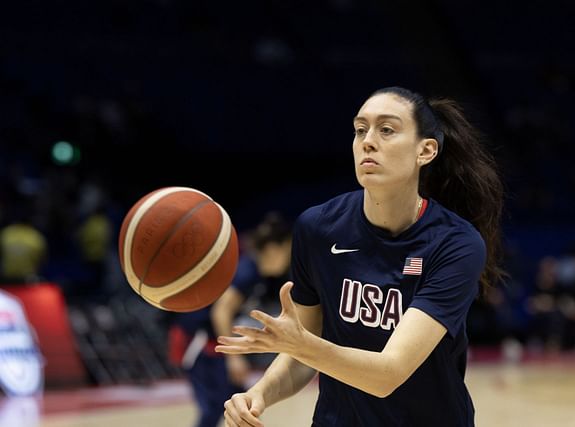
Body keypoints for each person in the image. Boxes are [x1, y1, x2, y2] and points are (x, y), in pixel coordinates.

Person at [216, 86, 505, 427]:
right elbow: (302, 355)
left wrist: (301, 345)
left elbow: (389, 373)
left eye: (386, 130)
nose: (368, 141)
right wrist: (259, 393)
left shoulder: (456, 244)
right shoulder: (317, 227)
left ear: (425, 150)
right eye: (360, 129)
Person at [168, 212, 292, 427]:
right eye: (288, 251)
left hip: (214, 342)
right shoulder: (247, 271)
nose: (290, 258)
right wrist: (234, 358)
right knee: (214, 407)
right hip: (197, 340)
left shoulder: (260, 276)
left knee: (241, 407)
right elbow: (220, 311)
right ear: (273, 249)